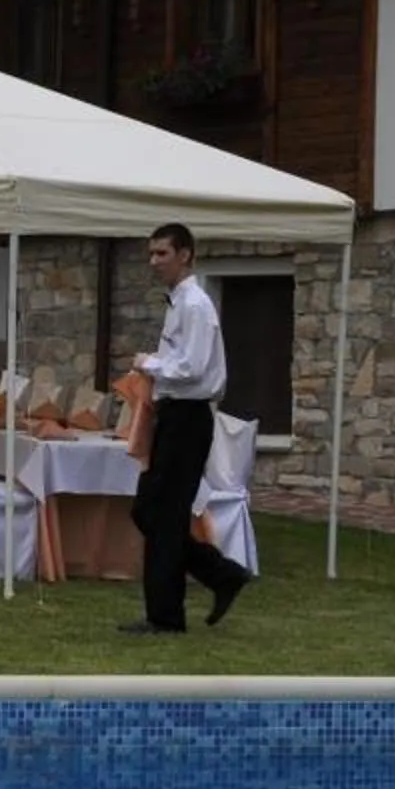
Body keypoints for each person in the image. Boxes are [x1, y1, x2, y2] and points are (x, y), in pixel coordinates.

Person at [123, 222, 249, 634]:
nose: (154, 262)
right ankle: (218, 574)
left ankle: (167, 614)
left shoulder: (195, 305)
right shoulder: (178, 303)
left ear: (185, 255)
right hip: (174, 415)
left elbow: (192, 367)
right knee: (152, 512)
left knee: (163, 514)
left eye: (162, 253)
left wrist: (149, 364)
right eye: (152, 254)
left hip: (189, 418)